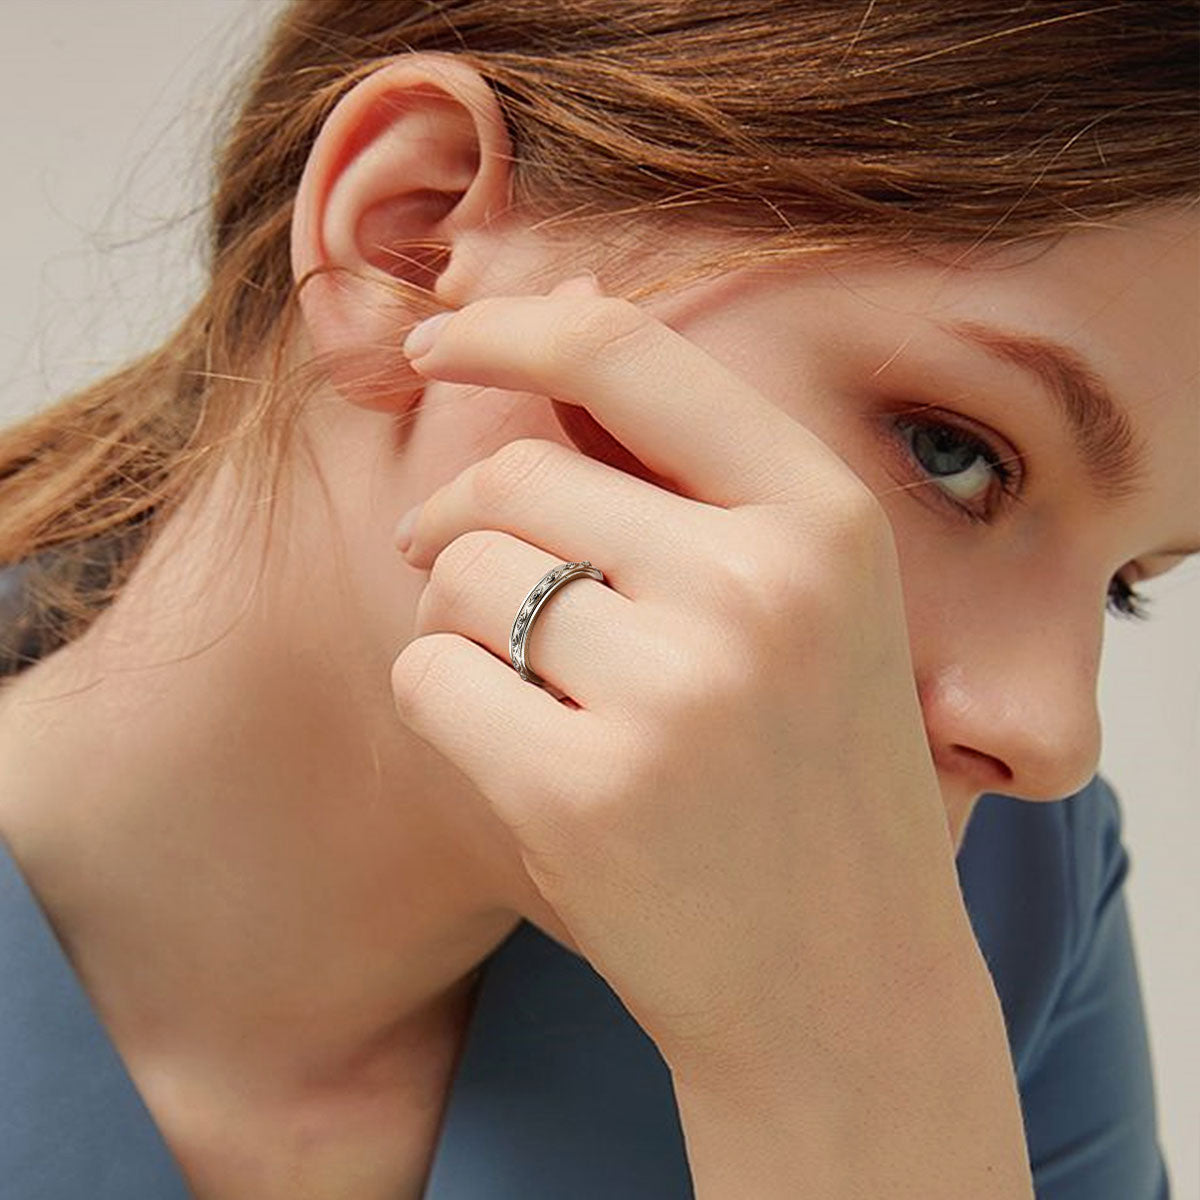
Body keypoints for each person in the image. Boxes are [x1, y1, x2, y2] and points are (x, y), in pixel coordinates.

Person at [0, 1, 1194, 1196]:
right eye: (950, 449)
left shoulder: (985, 921)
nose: (1052, 736)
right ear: (411, 242)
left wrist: (851, 1095)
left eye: (1127, 584)